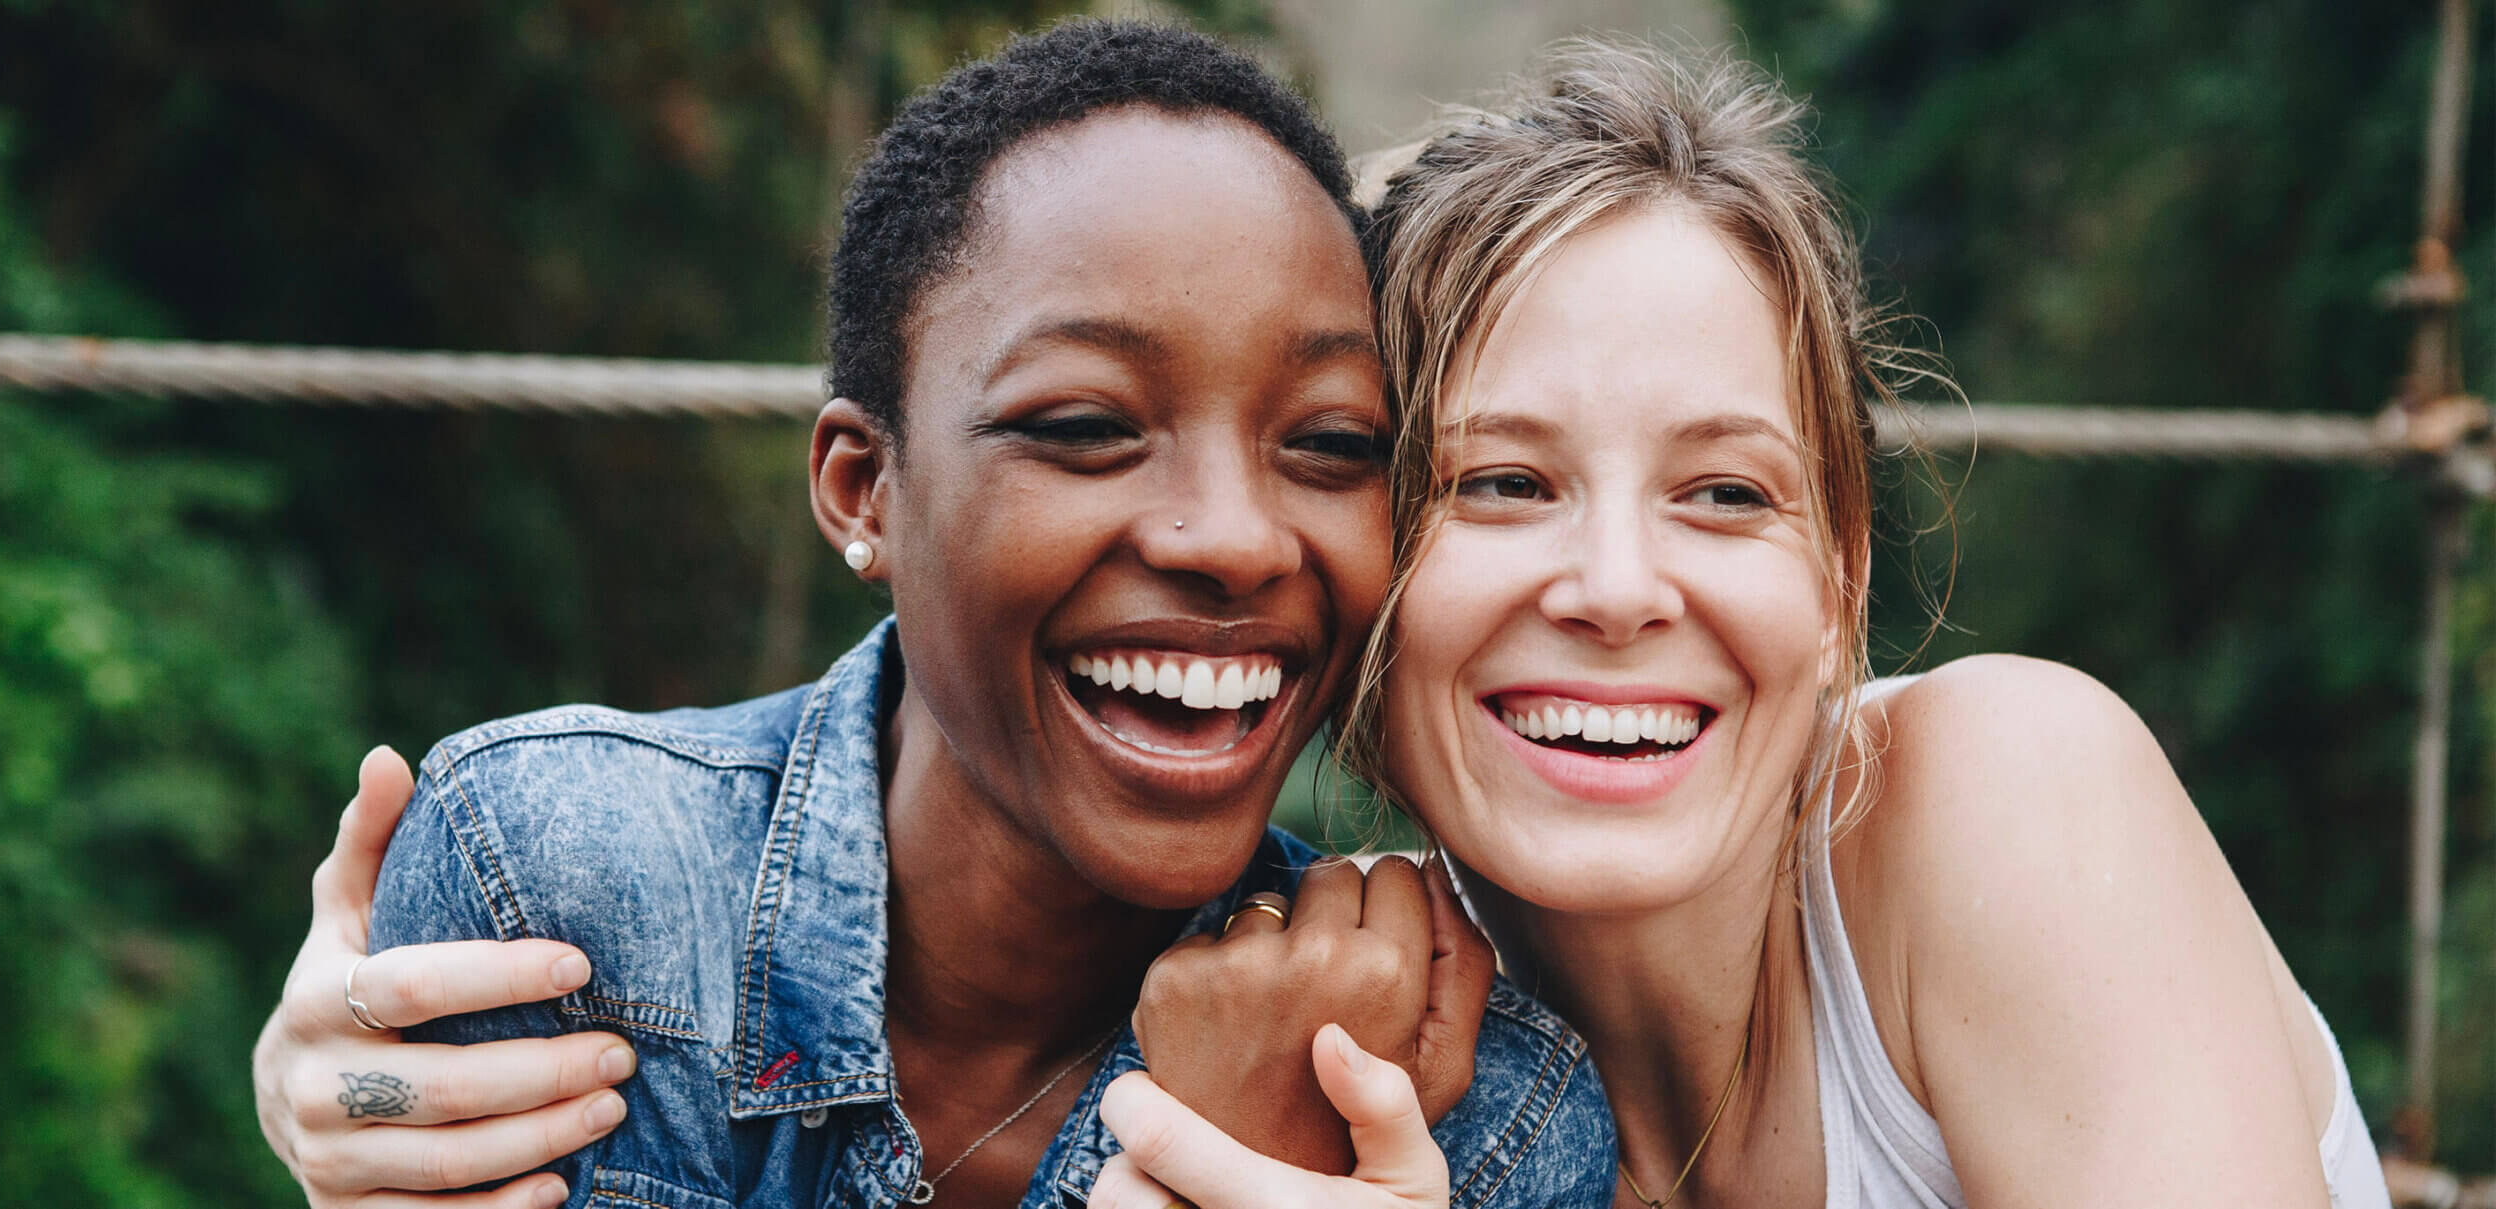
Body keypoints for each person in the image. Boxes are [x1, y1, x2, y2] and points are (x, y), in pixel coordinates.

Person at [247, 20, 1618, 1209]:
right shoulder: (559, 887)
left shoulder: (1475, 1119)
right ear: (866, 490)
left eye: (1328, 443)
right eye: (1085, 424)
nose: (1237, 538)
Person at [1087, 40, 2395, 1209]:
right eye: (1501, 483)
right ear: (1360, 579)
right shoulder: (1373, 1055)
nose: (1616, 586)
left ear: (1838, 583)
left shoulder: (2014, 791)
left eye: (1723, 493)